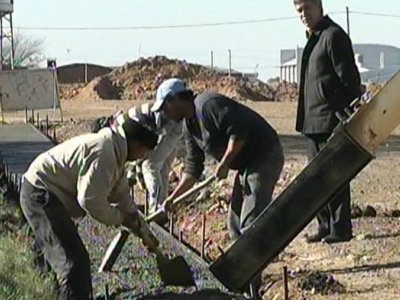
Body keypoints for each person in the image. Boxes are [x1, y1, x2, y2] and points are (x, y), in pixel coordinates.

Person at [155, 78, 284, 298]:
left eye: (165, 107)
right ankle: (243, 284)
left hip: (264, 155)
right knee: (234, 226)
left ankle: (252, 290)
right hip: (245, 165)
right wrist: (173, 198)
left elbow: (239, 132)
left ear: (174, 99)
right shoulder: (189, 125)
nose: (165, 113)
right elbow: (193, 168)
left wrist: (224, 163)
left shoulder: (208, 104)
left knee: (250, 224)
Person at [20, 116, 159, 300]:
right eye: (145, 150)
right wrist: (121, 218)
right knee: (73, 263)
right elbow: (90, 200)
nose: (144, 156)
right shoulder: (104, 152)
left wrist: (143, 230)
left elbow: (122, 196)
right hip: (41, 194)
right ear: (135, 143)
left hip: (47, 193)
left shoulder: (116, 152)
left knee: (54, 261)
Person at [294, 0, 362, 243]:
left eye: (307, 8)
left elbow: (349, 78)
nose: (304, 15)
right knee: (315, 179)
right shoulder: (313, 39)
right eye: (299, 10)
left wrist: (351, 113)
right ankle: (324, 225)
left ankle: (340, 229)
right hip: (312, 122)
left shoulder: (333, 36)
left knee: (335, 177)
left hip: (331, 120)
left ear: (319, 7)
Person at [91, 102, 183, 216]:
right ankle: (162, 208)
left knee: (150, 166)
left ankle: (156, 210)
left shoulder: (120, 130)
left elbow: (139, 152)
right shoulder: (119, 124)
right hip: (173, 125)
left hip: (167, 126)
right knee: (161, 169)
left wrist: (133, 177)